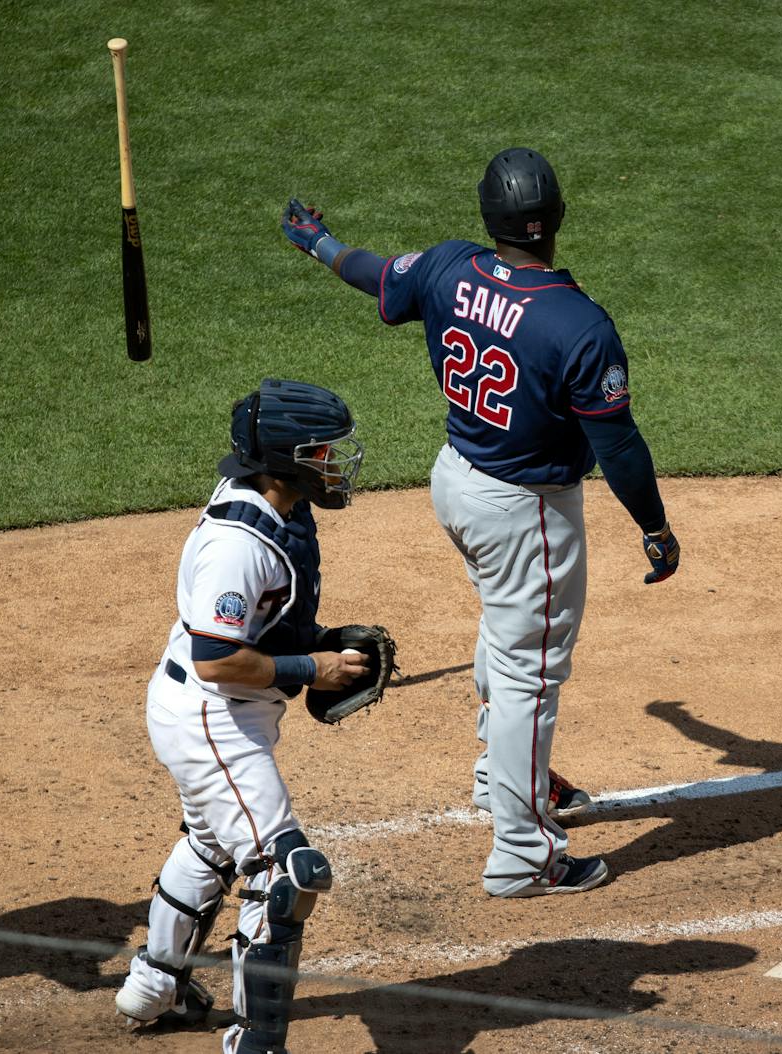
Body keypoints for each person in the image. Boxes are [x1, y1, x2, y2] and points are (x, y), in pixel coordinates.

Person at [280, 147, 681, 898]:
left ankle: (500, 775)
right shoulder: (579, 324)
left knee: (506, 632)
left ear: (487, 218)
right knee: (530, 672)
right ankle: (525, 854)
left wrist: (317, 241)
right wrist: (654, 526)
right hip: (524, 511)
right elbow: (617, 443)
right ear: (558, 217)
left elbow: (372, 272)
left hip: (457, 483)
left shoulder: (449, 267)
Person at [115, 379, 368, 1054]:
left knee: (210, 844)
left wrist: (320, 641)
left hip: (212, 709)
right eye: (322, 451)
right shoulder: (239, 545)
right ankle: (254, 1043)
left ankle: (153, 986)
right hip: (212, 716)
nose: (335, 463)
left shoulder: (280, 504)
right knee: (286, 872)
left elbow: (261, 628)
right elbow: (219, 660)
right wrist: (313, 669)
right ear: (286, 459)